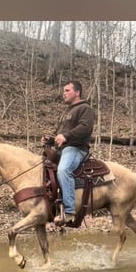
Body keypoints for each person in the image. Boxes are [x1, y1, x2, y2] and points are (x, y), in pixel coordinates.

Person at [42, 80, 95, 226]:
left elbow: (85, 127)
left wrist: (66, 136)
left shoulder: (85, 109)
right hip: (62, 150)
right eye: (64, 90)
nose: (63, 93)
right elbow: (60, 136)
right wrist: (50, 140)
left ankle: (70, 211)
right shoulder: (66, 113)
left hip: (76, 149)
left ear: (77, 92)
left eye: (67, 90)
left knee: (64, 170)